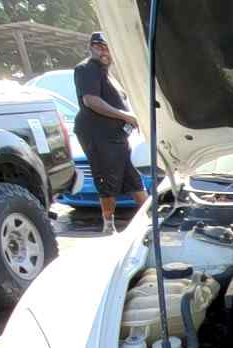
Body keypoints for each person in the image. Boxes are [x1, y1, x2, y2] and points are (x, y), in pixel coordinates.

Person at [73, 32, 146, 234]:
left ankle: (151, 220)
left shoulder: (108, 73)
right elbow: (91, 101)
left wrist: (132, 117)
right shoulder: (86, 68)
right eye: (99, 47)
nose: (104, 51)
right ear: (91, 48)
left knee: (133, 178)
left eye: (107, 47)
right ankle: (108, 226)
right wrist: (124, 115)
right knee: (107, 180)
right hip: (98, 135)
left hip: (118, 137)